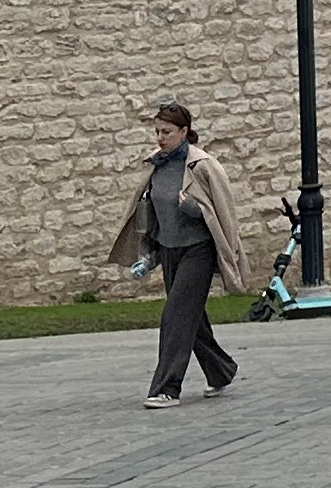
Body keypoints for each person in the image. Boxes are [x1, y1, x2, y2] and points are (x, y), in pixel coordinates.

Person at [108, 102, 258, 407]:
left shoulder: (202, 166)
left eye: (167, 132)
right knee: (192, 320)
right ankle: (221, 371)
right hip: (170, 251)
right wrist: (148, 254)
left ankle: (166, 388)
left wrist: (193, 208)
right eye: (157, 132)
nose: (161, 138)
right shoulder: (156, 166)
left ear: (184, 132)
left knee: (175, 316)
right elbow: (150, 215)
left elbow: (222, 213)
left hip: (198, 251)